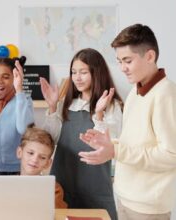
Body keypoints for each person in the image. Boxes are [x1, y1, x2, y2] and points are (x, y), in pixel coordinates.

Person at [79, 24, 176, 220]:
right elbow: (134, 143)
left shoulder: (165, 95)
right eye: (119, 61)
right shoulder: (135, 91)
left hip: (148, 207)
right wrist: (108, 146)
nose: (122, 68)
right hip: (125, 197)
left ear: (149, 56)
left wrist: (115, 151)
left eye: (127, 60)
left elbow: (171, 154)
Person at [40, 48, 123, 220]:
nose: (77, 77)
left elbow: (109, 145)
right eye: (73, 72)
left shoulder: (112, 105)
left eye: (83, 72)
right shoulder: (67, 103)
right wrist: (53, 106)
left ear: (97, 72)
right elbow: (51, 139)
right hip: (64, 181)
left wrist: (99, 113)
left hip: (95, 185)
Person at [16, 125, 67, 208]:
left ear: (47, 163)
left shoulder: (53, 189)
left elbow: (57, 215)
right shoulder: (6, 185)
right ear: (19, 152)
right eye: (30, 153)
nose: (35, 159)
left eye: (42, 157)